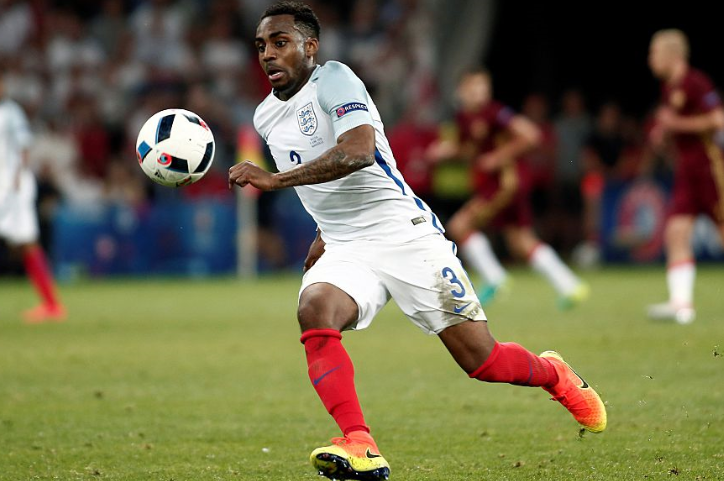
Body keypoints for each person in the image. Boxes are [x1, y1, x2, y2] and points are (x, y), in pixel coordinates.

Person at [229, 3, 606, 479]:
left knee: (482, 361)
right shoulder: (265, 115)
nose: (268, 54)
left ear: (310, 47)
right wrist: (324, 233)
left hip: (404, 233)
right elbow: (321, 183)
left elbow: (358, 151)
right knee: (314, 309)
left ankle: (555, 374)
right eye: (261, 45)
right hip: (346, 245)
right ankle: (360, 443)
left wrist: (274, 180)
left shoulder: (335, 80)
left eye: (280, 42)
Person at [431, 68, 589, 309]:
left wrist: (498, 157)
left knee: (460, 226)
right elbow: (471, 151)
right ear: (461, 91)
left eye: (484, 87)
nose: (480, 92)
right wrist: (447, 152)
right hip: (500, 184)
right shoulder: (464, 118)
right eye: (474, 87)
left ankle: (495, 278)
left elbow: (531, 135)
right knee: (520, 240)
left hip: (506, 183)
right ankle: (571, 286)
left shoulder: (495, 112)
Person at [646, 29, 724, 324]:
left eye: (654, 53)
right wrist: (663, 134)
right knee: (676, 231)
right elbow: (675, 125)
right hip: (687, 171)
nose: (651, 59)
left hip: (710, 168)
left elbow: (718, 120)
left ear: (672, 54)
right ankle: (682, 304)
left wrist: (675, 124)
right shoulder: (670, 88)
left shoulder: (696, 82)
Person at [0, 72, 66, 323]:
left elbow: (23, 145)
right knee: (21, 245)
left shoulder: (10, 112)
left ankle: (52, 305)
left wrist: (18, 176)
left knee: (26, 242)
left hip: (12, 186)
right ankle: (50, 303)